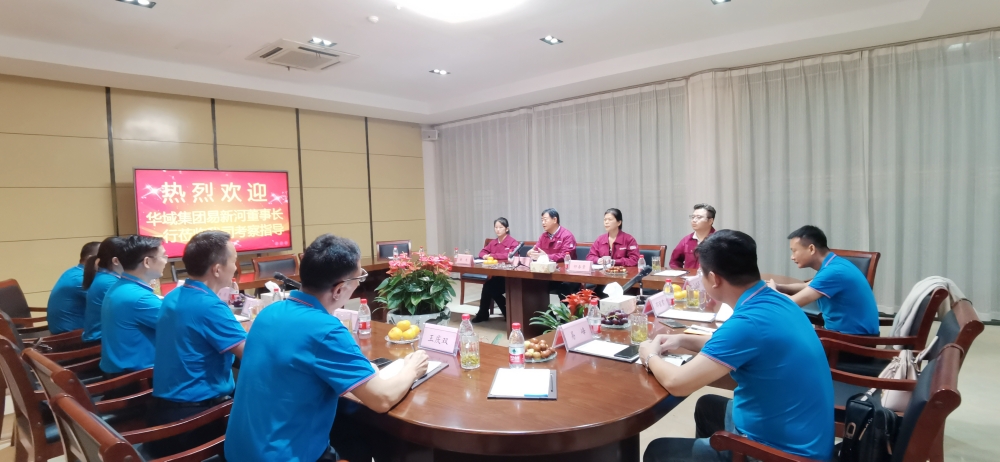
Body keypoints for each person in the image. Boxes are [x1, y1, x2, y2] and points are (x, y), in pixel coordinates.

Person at [225, 234, 429, 462]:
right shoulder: (326, 330)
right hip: (282, 456)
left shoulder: (270, 312)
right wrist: (412, 368)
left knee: (352, 435)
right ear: (339, 290)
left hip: (238, 451)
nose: (358, 284)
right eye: (358, 278)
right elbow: (382, 399)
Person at [639, 230, 833, 462]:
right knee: (707, 406)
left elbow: (677, 383)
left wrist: (649, 355)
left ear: (714, 278)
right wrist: (682, 339)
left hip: (783, 454)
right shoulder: (773, 300)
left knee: (658, 451)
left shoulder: (747, 323)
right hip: (807, 435)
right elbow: (735, 344)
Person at [149, 231, 247, 453]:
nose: (235, 267)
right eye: (234, 261)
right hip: (196, 421)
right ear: (217, 269)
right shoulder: (209, 306)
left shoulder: (174, 295)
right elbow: (252, 353)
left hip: (164, 411)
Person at [768, 225, 880, 335]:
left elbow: (791, 303)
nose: (792, 257)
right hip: (846, 334)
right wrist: (779, 286)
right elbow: (807, 286)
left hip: (851, 340)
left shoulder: (833, 272)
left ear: (811, 249)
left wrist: (772, 290)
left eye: (794, 251)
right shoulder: (834, 263)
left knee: (780, 336)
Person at [99, 235, 167, 376]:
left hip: (118, 371)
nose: (166, 261)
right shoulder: (140, 298)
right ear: (147, 262)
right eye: (163, 256)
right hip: (137, 377)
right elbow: (182, 327)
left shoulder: (120, 286)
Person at [45, 241, 100, 334]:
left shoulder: (72, 272)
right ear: (90, 259)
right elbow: (107, 302)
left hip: (65, 331)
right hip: (70, 336)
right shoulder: (80, 278)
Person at [527, 208, 580, 297]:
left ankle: (564, 307)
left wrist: (546, 257)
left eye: (545, 220)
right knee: (531, 284)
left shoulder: (567, 235)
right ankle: (541, 306)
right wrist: (531, 253)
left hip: (566, 275)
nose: (543, 223)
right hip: (547, 273)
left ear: (555, 219)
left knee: (563, 287)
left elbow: (565, 255)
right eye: (542, 220)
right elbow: (536, 250)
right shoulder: (543, 236)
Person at [473, 217, 518, 323]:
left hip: (510, 276)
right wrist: (485, 256)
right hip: (497, 275)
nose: (498, 230)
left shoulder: (512, 242)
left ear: (507, 229)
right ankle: (487, 313)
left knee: (490, 288)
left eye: (500, 227)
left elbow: (510, 255)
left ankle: (492, 313)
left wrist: (492, 255)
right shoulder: (493, 242)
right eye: (496, 227)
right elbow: (482, 252)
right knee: (489, 286)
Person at [81, 237, 125, 342]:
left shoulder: (105, 277)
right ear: (115, 261)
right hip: (99, 340)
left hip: (98, 336)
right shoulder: (109, 282)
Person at [669, 204, 716, 270]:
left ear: (710, 221)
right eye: (693, 217)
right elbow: (674, 261)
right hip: (689, 276)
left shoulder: (719, 240)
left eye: (699, 217)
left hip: (711, 276)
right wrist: (681, 273)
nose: (694, 220)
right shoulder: (686, 240)